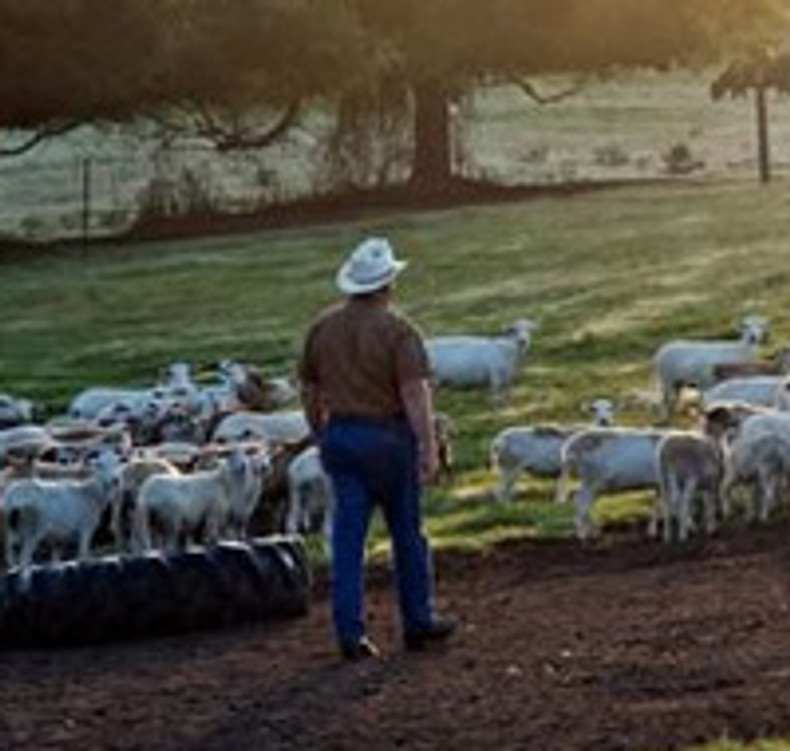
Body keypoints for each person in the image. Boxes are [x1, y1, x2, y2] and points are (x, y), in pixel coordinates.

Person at [298, 236, 456, 661]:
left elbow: (309, 389)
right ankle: (418, 621)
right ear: (388, 285)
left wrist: (319, 433)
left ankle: (350, 633)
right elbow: (413, 394)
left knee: (348, 539)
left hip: (342, 438)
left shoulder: (322, 328)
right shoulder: (399, 331)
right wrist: (428, 446)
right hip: (389, 440)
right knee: (407, 534)